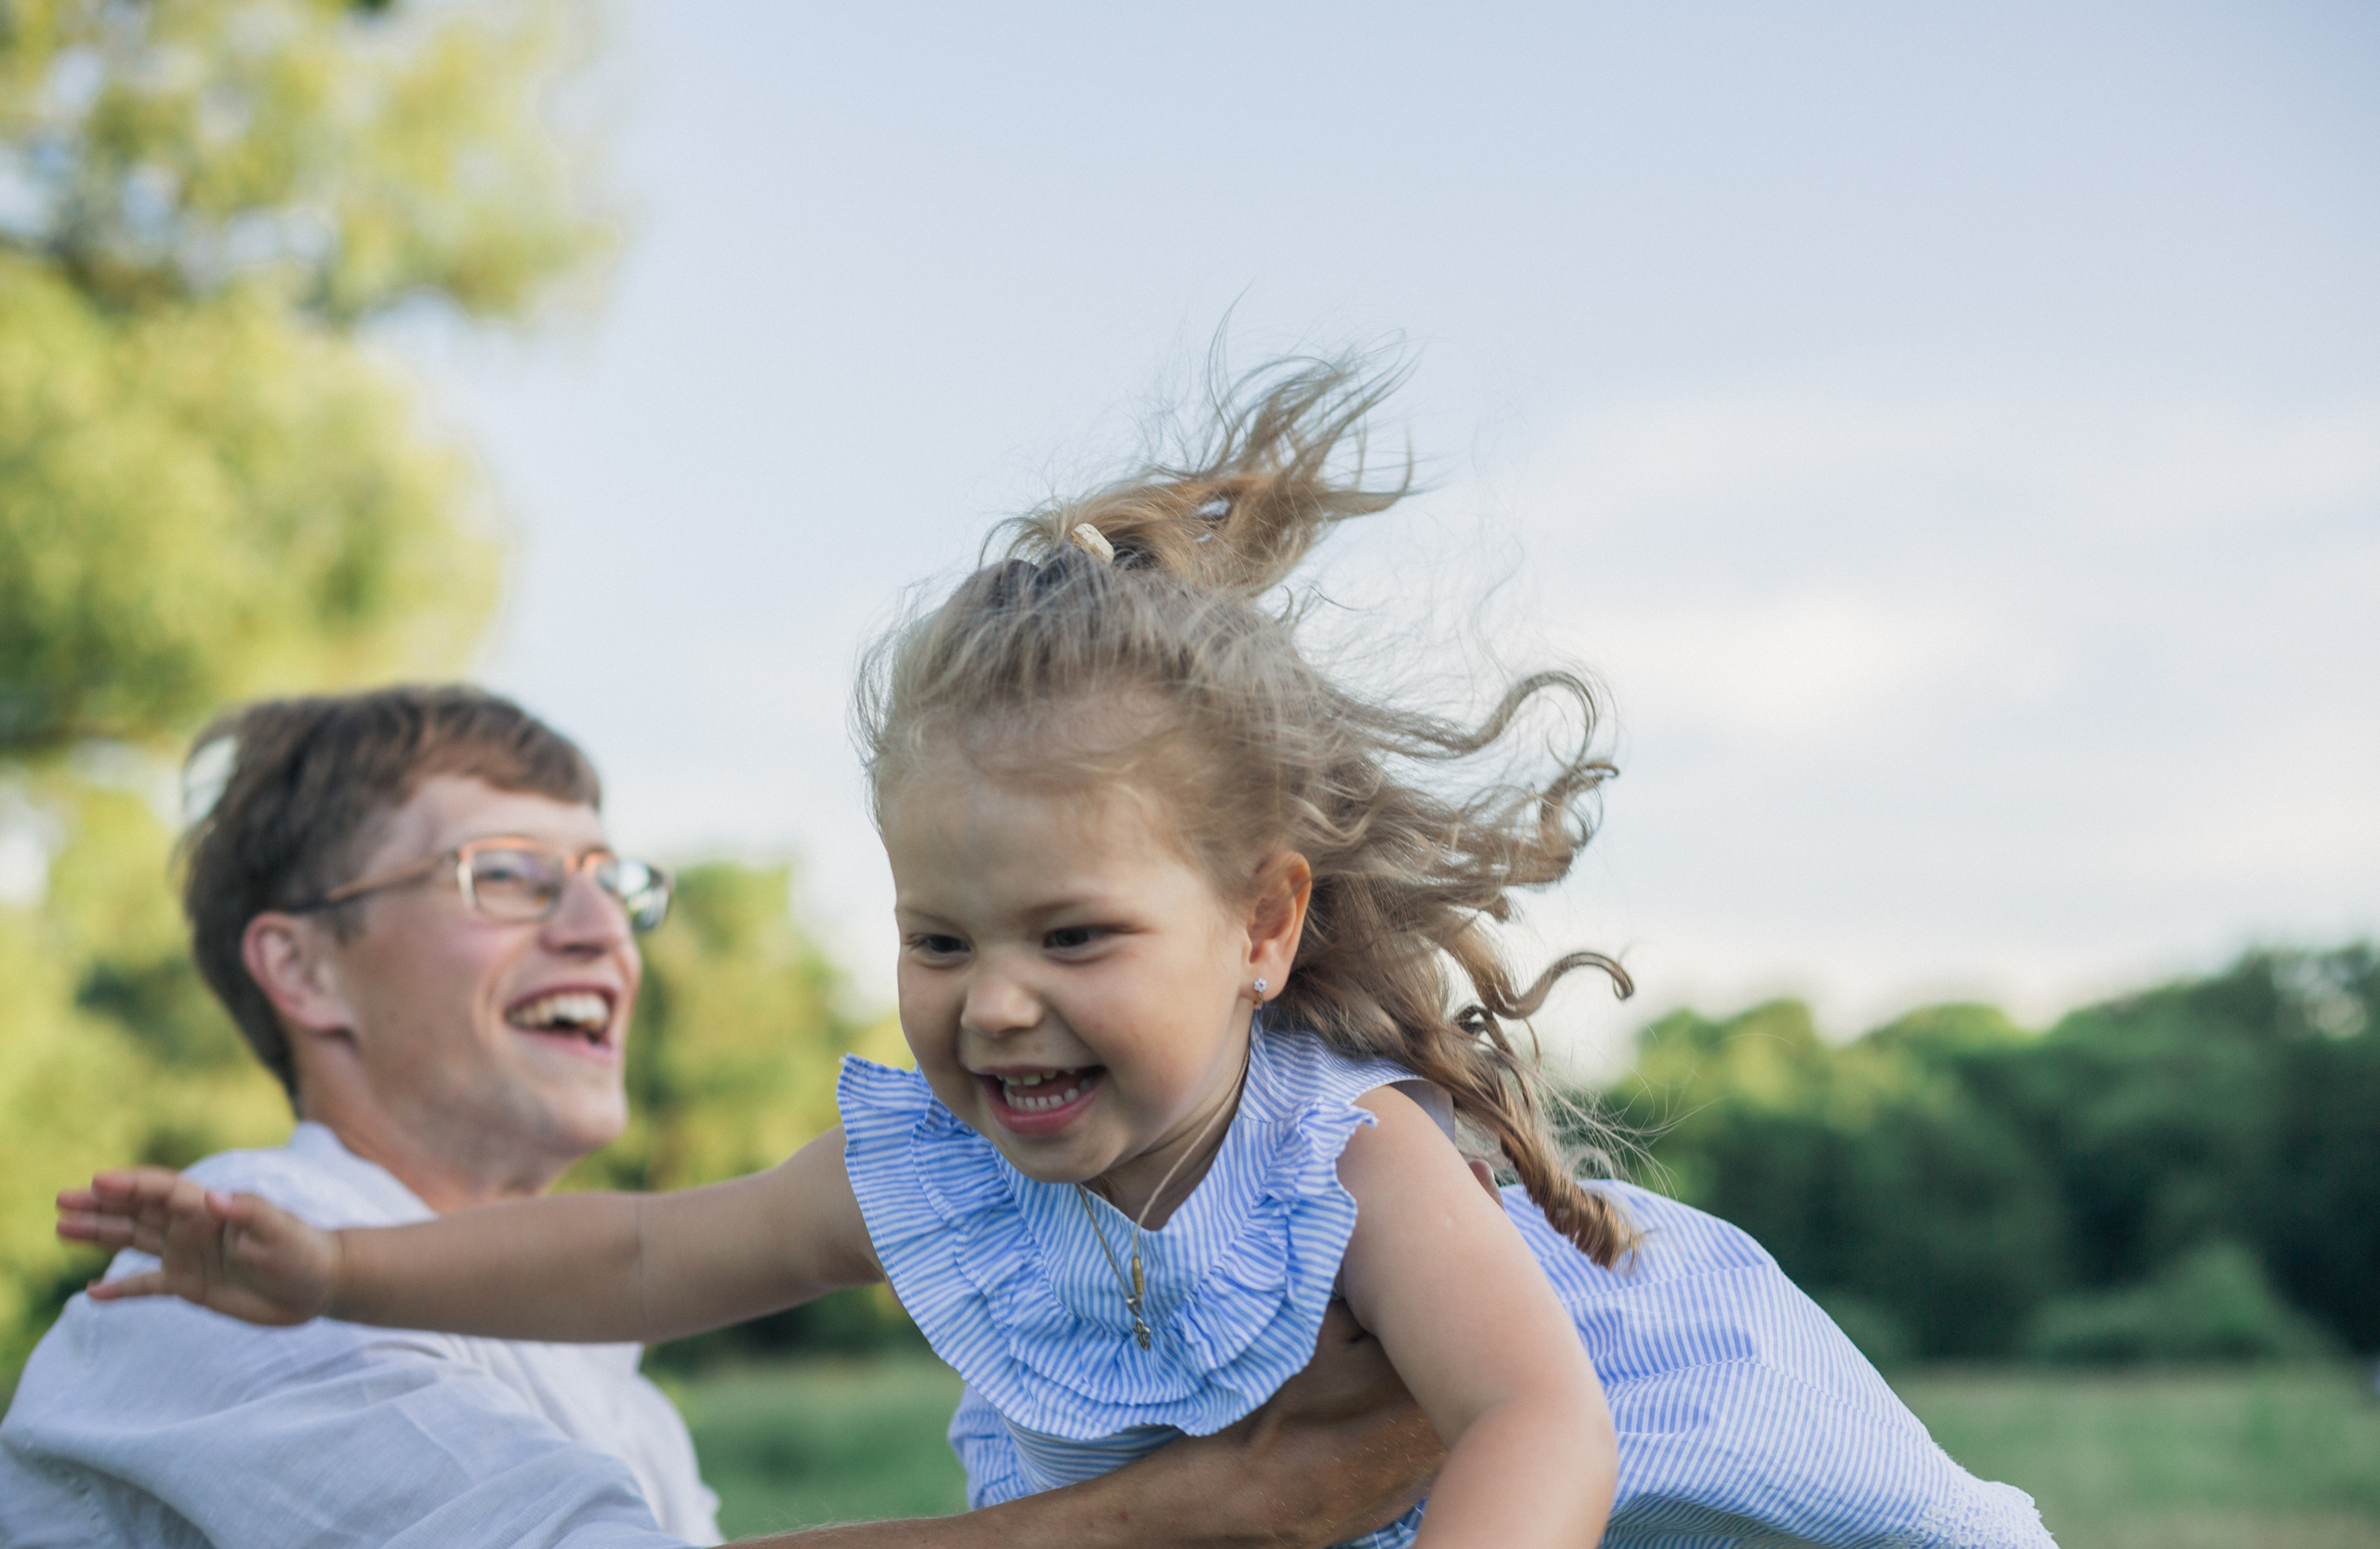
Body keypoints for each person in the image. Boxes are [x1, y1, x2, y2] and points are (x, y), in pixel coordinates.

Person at [66, 363, 2058, 1546]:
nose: (990, 997)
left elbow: (1543, 1419)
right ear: (295, 965)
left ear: (1264, 922)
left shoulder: (1343, 1153)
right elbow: (648, 1251)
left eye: (1071, 933)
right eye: (936, 936)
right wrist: (332, 1273)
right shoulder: (927, 1166)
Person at [7, 685, 1437, 1549]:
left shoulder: (615, 1401)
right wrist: (1219, 1510)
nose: (599, 930)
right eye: (504, 875)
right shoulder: (218, 1295)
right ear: (302, 965)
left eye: (612, 884)